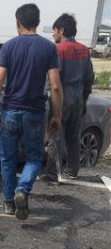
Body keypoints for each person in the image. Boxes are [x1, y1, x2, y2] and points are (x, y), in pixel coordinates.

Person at [0, 3, 63, 220]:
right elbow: (55, 85)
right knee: (34, 158)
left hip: (9, 111)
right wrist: (57, 116)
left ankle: (9, 202)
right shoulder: (48, 48)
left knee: (7, 159)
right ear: (37, 21)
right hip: (35, 113)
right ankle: (22, 189)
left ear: (18, 23)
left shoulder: (9, 47)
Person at [40, 14, 95, 183]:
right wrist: (85, 98)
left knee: (55, 135)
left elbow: (54, 79)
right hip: (78, 97)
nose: (53, 34)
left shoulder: (58, 50)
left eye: (55, 31)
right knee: (73, 136)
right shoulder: (84, 50)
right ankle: (72, 170)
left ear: (62, 30)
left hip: (61, 97)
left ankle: (51, 173)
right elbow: (89, 77)